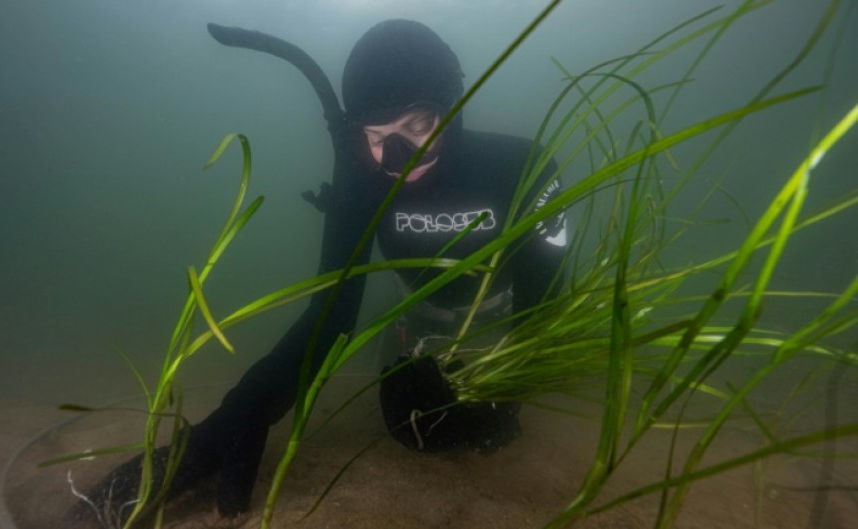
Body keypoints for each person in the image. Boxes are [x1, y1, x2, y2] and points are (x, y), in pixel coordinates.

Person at [80, 18, 567, 522]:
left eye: (420, 126)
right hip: (422, 320)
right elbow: (331, 313)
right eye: (377, 135)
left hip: (504, 323)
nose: (400, 158)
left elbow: (545, 305)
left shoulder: (521, 168)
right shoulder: (363, 181)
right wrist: (242, 411)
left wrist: (504, 402)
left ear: (454, 108)